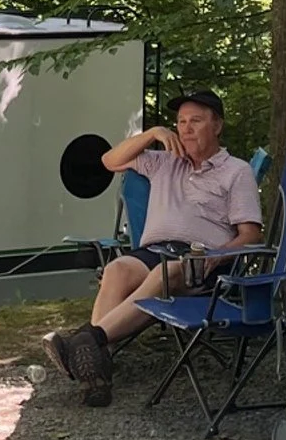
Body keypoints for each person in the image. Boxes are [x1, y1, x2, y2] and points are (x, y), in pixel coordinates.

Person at [44, 89, 262, 406]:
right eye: (180, 122)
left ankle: (88, 339)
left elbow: (251, 235)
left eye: (196, 121)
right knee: (116, 269)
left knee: (165, 275)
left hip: (202, 259)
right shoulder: (162, 162)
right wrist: (153, 133)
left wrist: (221, 254)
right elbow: (108, 161)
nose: (185, 128)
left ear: (217, 126)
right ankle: (95, 368)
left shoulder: (236, 171)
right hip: (154, 250)